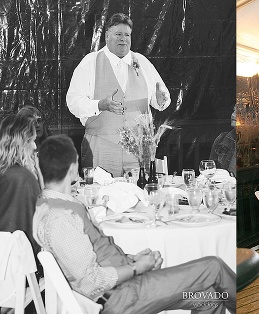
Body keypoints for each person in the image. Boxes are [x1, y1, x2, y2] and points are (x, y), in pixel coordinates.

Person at [33, 135, 235, 313]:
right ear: (72, 168)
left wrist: (131, 259)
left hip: (121, 287)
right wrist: (137, 268)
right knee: (213, 267)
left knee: (210, 298)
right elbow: (91, 281)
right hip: (117, 298)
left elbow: (86, 256)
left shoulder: (55, 205)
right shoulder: (60, 218)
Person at [66, 13, 171, 177]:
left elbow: (162, 97)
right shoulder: (90, 62)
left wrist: (160, 100)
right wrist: (99, 105)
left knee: (140, 190)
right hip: (102, 146)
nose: (123, 39)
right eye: (118, 34)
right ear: (107, 36)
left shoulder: (142, 62)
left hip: (139, 149)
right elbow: (73, 101)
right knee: (100, 191)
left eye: (127, 35)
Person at [0, 115, 44, 275]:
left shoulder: (6, 172)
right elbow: (39, 228)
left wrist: (37, 170)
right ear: (20, 144)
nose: (35, 146)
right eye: (31, 141)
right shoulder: (23, 178)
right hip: (21, 269)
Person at [210, 109, 237, 176]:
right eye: (234, 110)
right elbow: (209, 169)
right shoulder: (221, 139)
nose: (233, 115)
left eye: (239, 112)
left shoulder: (254, 145)